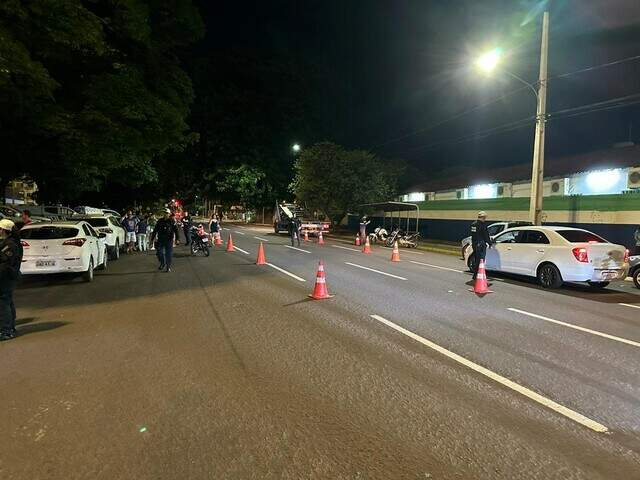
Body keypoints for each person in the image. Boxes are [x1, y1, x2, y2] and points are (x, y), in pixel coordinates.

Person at [0, 219, 23, 341]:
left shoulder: (10, 245)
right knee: (7, 301)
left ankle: (6, 330)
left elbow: (5, 264)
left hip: (6, 277)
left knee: (3, 303)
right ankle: (10, 327)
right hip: (8, 276)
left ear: (4, 230)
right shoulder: (10, 242)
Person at [470, 211, 494, 280]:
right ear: (483, 217)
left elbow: (473, 235)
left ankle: (475, 275)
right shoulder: (483, 225)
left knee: (477, 260)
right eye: (485, 217)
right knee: (481, 261)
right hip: (481, 245)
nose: (485, 219)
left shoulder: (473, 224)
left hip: (475, 244)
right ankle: (477, 276)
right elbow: (486, 236)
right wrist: (490, 243)